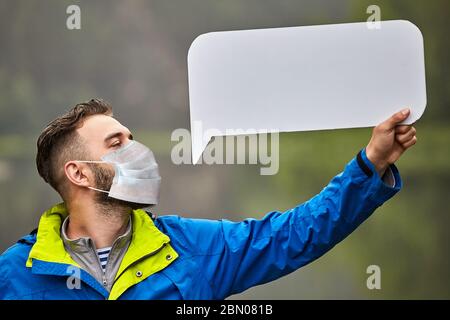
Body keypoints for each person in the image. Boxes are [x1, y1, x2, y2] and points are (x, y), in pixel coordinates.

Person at [0, 99, 417, 300]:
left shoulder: (191, 249)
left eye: (133, 138)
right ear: (79, 172)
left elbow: (294, 235)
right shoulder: (14, 275)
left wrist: (370, 164)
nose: (137, 149)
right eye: (116, 143)